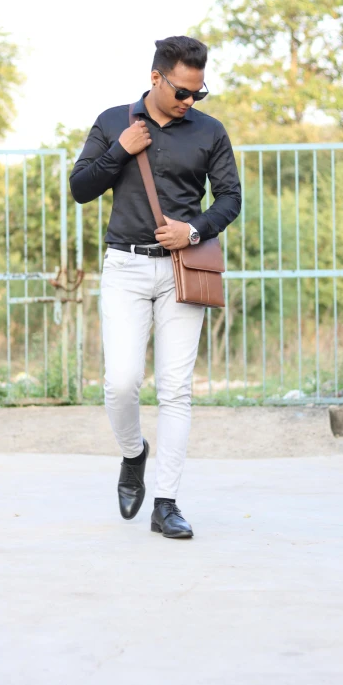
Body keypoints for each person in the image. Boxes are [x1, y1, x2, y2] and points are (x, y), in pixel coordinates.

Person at [69, 36, 241, 539]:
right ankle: (132, 454)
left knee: (176, 390)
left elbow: (229, 198)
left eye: (198, 92)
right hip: (125, 266)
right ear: (156, 79)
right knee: (121, 382)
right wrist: (119, 152)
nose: (191, 101)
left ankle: (166, 502)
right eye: (183, 92)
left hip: (183, 270)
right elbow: (80, 188)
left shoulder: (210, 132)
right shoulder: (112, 122)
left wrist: (194, 230)